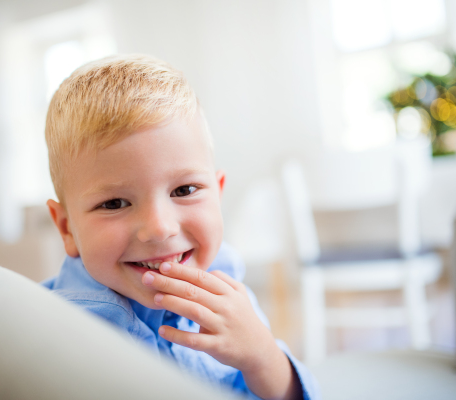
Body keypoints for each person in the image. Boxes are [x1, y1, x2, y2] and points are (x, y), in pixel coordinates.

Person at [41, 54, 320, 400]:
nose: (159, 228)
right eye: (114, 203)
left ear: (217, 195)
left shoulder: (225, 281)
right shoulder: (57, 331)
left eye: (184, 190)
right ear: (67, 228)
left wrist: (262, 357)